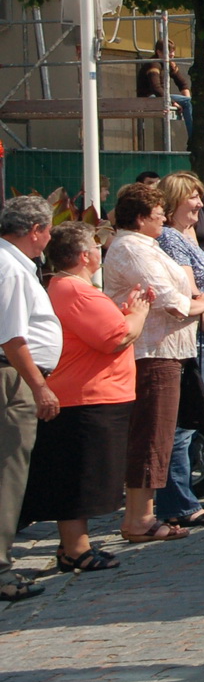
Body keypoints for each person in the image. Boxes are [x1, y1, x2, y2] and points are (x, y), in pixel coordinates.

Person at [17, 223, 151, 573]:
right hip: (86, 397)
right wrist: (138, 314)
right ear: (83, 256)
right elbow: (116, 338)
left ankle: (73, 546)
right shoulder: (75, 290)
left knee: (83, 475)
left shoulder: (67, 288)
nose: (99, 250)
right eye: (95, 245)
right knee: (80, 478)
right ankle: (76, 548)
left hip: (92, 394)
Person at [104, 183, 204, 544]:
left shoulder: (147, 245)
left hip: (169, 350)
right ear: (141, 218)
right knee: (152, 435)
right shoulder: (131, 248)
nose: (162, 218)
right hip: (152, 352)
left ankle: (144, 514)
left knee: (160, 434)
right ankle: (139, 518)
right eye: (157, 214)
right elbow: (172, 301)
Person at [151, 173, 204, 528]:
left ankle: (182, 498)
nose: (200, 204)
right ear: (174, 200)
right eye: (193, 197)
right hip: (193, 336)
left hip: (201, 332)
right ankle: (178, 503)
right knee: (183, 424)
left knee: (187, 422)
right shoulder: (172, 239)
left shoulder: (184, 236)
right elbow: (191, 295)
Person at [0, 197, 62, 602]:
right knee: (8, 474)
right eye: (48, 229)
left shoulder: (14, 264)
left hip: (15, 374)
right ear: (35, 230)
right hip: (12, 378)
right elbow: (11, 336)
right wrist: (38, 385)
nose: (50, 236)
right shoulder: (9, 267)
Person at [136, 39, 204, 147]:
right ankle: (195, 139)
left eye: (173, 53)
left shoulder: (169, 64)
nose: (172, 55)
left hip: (161, 96)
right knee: (190, 102)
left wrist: (190, 101)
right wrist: (173, 102)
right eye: (169, 53)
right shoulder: (154, 64)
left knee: (194, 102)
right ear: (159, 52)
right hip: (149, 98)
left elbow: (182, 83)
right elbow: (156, 88)